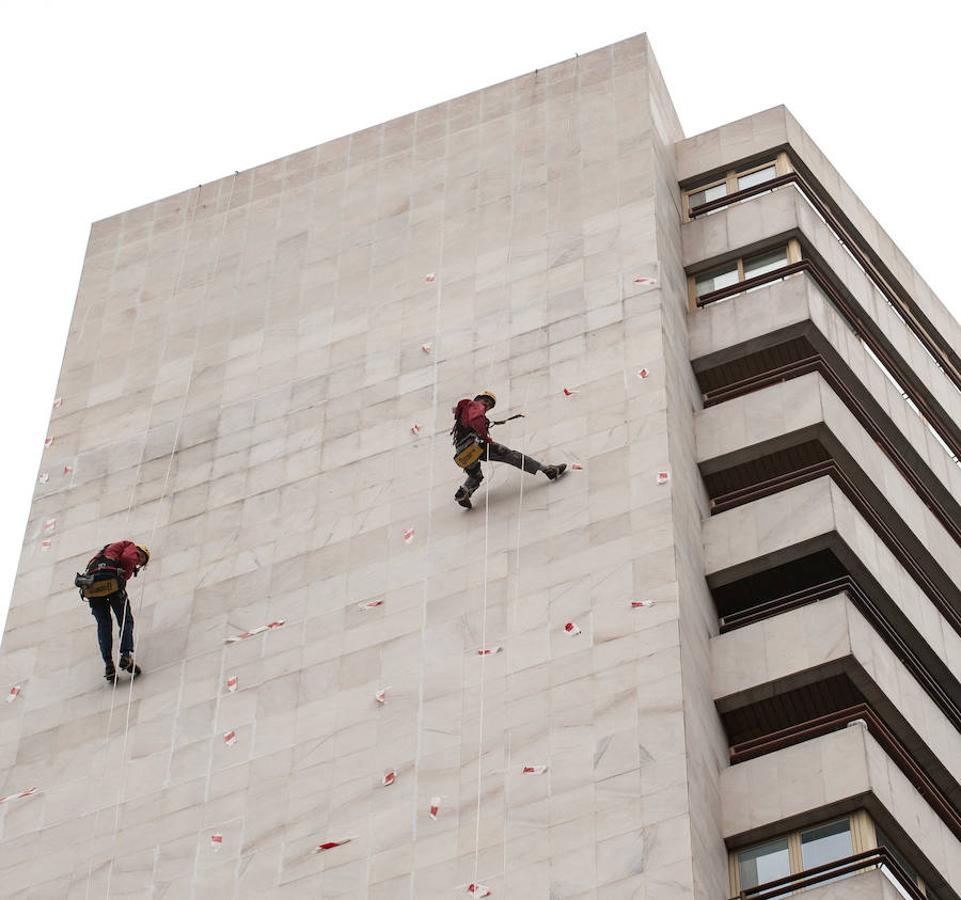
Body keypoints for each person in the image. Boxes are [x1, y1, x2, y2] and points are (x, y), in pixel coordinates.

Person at [452, 390, 566, 509]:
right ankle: (548, 470)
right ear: (479, 399)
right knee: (510, 455)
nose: (487, 405)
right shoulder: (477, 406)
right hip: (476, 445)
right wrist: (486, 438)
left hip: (463, 452)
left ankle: (463, 492)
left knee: (476, 475)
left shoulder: (466, 411)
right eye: (487, 401)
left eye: (490, 405)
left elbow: (472, 422)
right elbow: (476, 420)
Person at [81, 541, 150, 682]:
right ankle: (125, 655)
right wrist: (124, 577)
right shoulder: (130, 546)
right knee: (125, 620)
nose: (138, 561)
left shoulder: (104, 552)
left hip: (92, 587)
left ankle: (108, 664)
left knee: (104, 625)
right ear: (140, 551)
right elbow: (128, 558)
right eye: (141, 558)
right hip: (111, 583)